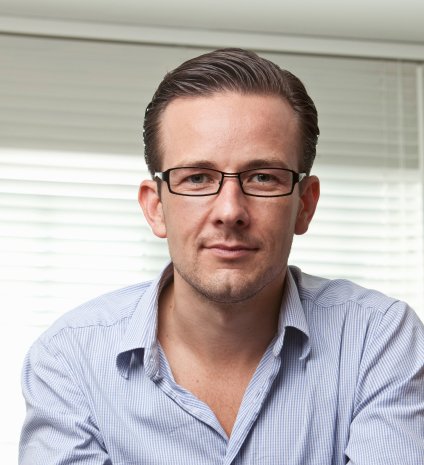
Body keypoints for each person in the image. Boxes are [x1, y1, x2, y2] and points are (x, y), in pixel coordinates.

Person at [19, 48, 424, 465]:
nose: (230, 211)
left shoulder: (378, 338)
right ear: (155, 207)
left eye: (262, 177)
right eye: (197, 178)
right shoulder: (69, 359)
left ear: (305, 205)